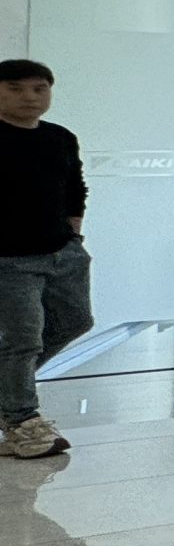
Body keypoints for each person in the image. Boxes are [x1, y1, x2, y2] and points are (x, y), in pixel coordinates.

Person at [0, 59, 92, 458]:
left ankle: (8, 393)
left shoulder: (60, 137)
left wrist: (74, 239)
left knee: (76, 321)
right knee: (22, 341)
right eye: (15, 88)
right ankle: (22, 422)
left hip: (62, 254)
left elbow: (74, 190)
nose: (29, 97)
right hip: (9, 260)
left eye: (40, 89)